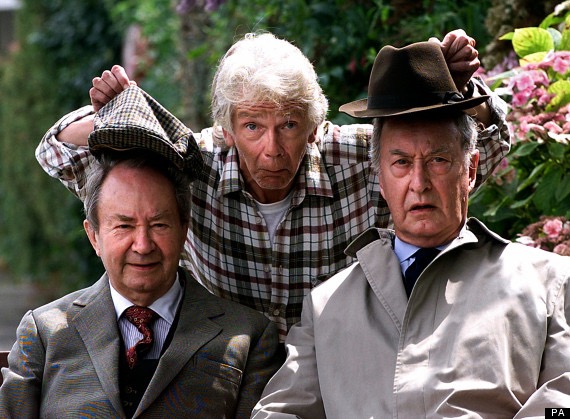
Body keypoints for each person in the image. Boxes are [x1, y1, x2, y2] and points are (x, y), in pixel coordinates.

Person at [36, 30, 510, 342]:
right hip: (224, 369)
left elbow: (484, 149)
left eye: (288, 125)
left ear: (314, 127)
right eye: (252, 127)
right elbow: (57, 154)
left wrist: (452, 92)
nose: (272, 150)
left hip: (343, 366)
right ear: (226, 129)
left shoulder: (359, 156)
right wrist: (115, 114)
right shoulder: (194, 163)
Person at [251, 41, 570, 417]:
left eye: (438, 160)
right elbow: (278, 412)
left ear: (469, 170)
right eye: (401, 163)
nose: (419, 183)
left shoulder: (549, 283)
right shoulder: (326, 307)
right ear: (380, 179)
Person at [0, 86, 282, 418]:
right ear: (94, 236)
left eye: (159, 224)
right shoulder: (44, 331)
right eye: (124, 226)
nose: (143, 245)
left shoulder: (248, 336)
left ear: (184, 229)